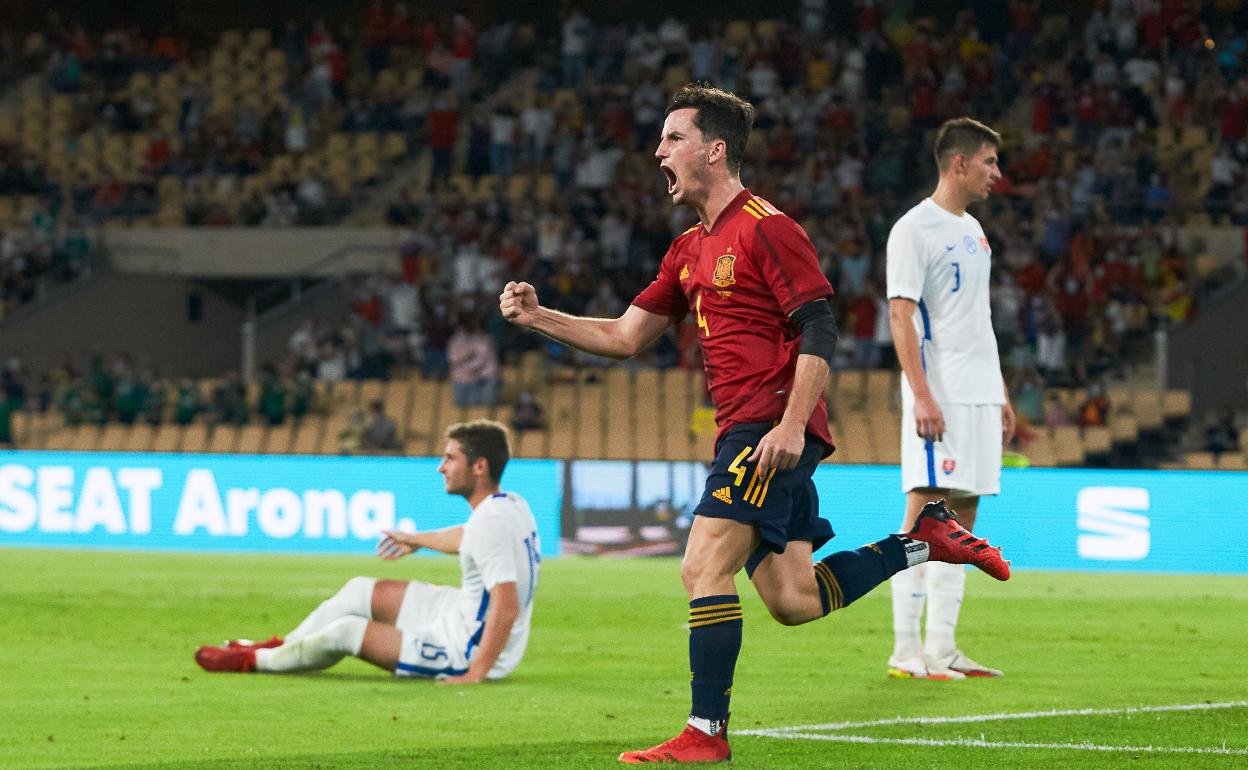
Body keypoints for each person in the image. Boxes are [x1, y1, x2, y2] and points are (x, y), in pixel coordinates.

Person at [500, 84, 1009, 764]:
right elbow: (625, 336)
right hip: (754, 430)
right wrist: (541, 318)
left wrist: (793, 424)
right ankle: (922, 540)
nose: (658, 152)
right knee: (794, 598)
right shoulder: (687, 249)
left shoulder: (769, 227)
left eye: (672, 138)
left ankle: (705, 732)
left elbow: (820, 326)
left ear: (714, 150)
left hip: (768, 428)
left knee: (702, 566)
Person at [194, 420, 541, 684]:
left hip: (467, 647)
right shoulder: (509, 504)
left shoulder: (490, 523)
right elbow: (469, 538)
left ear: (479, 466)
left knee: (347, 630)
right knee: (363, 589)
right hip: (459, 611)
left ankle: (252, 662)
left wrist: (476, 671)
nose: (441, 467)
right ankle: (280, 646)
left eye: (450, 458)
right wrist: (417, 539)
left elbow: (506, 604)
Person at [884, 117, 1016, 682]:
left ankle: (942, 648)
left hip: (978, 391)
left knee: (962, 521)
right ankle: (905, 650)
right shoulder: (914, 228)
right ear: (958, 162)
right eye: (989, 161)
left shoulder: (976, 230)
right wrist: (921, 395)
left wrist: (1001, 390)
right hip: (939, 393)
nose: (997, 173)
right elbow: (901, 314)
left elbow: (976, 320)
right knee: (922, 520)